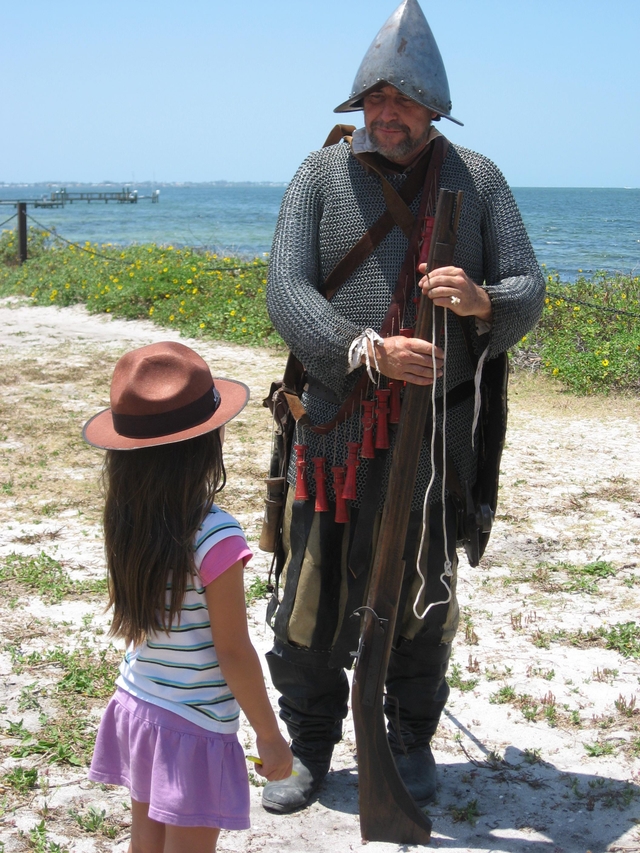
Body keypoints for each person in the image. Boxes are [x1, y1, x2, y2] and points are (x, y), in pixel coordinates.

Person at [262, 0, 545, 815]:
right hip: (335, 427)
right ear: (360, 107)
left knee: (423, 594)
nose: (387, 115)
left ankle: (409, 738)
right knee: (309, 595)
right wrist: (366, 349)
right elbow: (286, 291)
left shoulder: (477, 178)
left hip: (434, 436)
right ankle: (310, 746)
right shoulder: (320, 176)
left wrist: (484, 298)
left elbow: (529, 289)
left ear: (431, 107)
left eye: (404, 101)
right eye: (375, 102)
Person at [83, 341, 292, 853]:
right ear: (207, 442)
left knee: (146, 843)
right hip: (193, 723)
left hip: (138, 703)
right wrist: (269, 734)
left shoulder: (125, 518)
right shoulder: (215, 534)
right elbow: (233, 650)